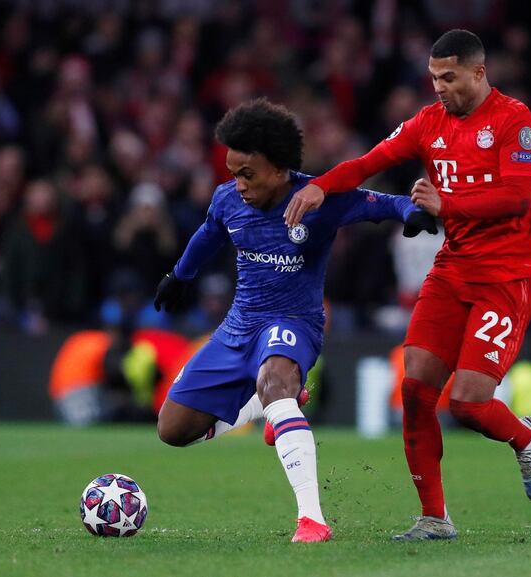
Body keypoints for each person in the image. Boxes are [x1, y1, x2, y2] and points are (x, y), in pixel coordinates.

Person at [284, 29, 531, 540]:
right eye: (433, 78)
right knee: (415, 390)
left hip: (506, 277)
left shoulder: (515, 121)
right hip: (452, 270)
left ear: (479, 72)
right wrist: (321, 185)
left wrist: (446, 205)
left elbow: (518, 199)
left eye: (448, 77)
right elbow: (368, 164)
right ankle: (434, 518)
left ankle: (525, 439)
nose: (439, 88)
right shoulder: (429, 123)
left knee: (469, 404)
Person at [153, 98, 437, 543]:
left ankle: (312, 520)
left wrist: (412, 214)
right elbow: (209, 235)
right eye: (233, 173)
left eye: (248, 174)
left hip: (294, 322)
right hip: (238, 326)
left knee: (275, 381)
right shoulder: (228, 200)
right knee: (172, 431)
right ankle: (272, 405)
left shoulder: (316, 199)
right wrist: (179, 276)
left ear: (281, 168)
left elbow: (382, 201)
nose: (239, 184)